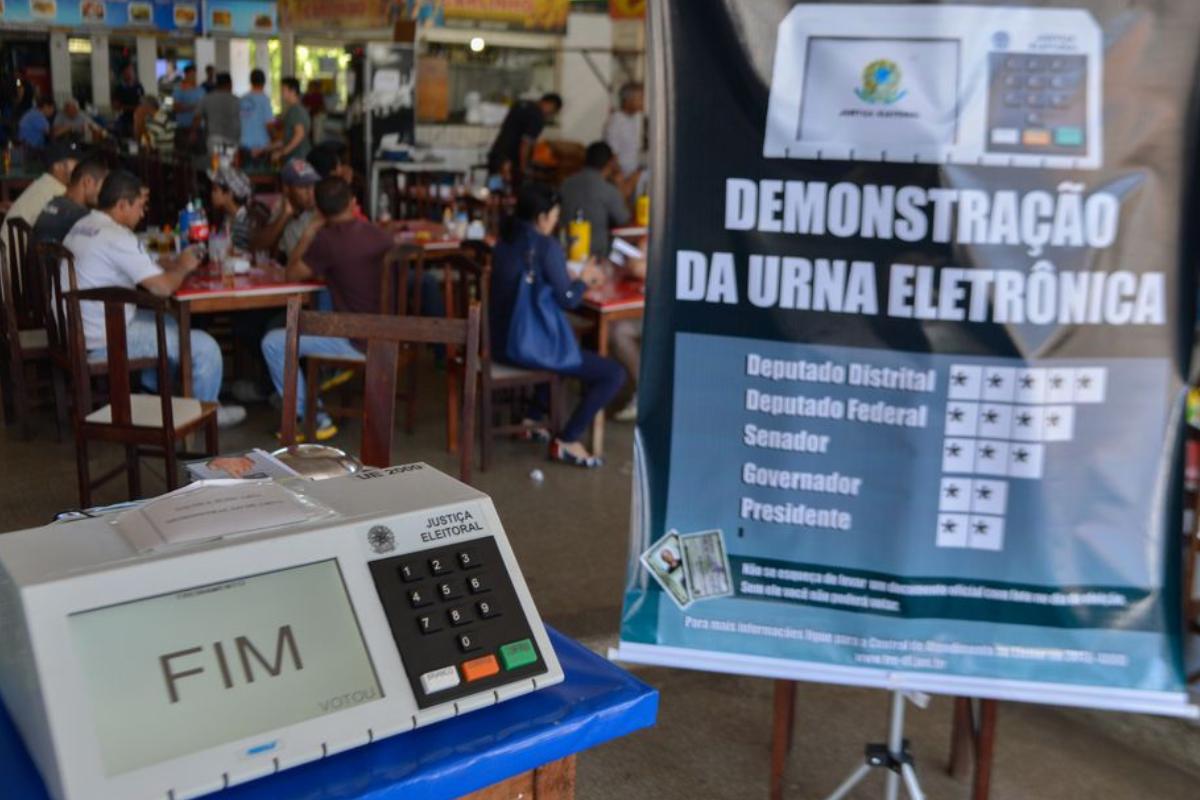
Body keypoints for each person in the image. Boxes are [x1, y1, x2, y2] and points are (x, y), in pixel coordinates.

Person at [63, 170, 246, 427]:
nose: (143, 213)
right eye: (139, 206)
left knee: (168, 322)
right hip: (102, 339)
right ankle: (208, 415)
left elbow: (136, 264)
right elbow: (162, 288)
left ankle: (155, 392)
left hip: (76, 329)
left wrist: (170, 263)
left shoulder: (83, 225)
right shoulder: (117, 237)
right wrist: (183, 267)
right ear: (122, 205)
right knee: (206, 348)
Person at [491, 183, 624, 468]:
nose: (555, 222)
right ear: (541, 218)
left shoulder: (505, 240)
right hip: (525, 348)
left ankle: (532, 420)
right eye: (553, 216)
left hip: (498, 342)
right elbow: (568, 300)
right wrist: (584, 280)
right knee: (612, 374)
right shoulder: (544, 246)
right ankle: (567, 439)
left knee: (562, 352)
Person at [260, 177, 396, 440]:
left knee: (273, 343)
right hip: (391, 334)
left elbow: (291, 273)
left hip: (357, 341)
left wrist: (309, 231)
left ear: (320, 212)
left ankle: (312, 417)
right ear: (353, 202)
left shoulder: (328, 240)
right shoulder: (379, 235)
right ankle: (321, 388)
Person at [0, 140, 80, 255]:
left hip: (9, 259)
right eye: (75, 162)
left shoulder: (44, 183)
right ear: (57, 166)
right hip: (17, 261)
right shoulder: (58, 192)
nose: (80, 167)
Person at [559, 141, 632, 260]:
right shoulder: (608, 190)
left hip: (567, 251)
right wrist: (622, 189)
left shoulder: (566, 184)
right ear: (610, 163)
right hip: (598, 256)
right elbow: (625, 223)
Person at [486, 93, 561, 189]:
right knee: (510, 193)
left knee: (494, 191)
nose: (549, 115)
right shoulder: (537, 117)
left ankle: (494, 193)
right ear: (550, 104)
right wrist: (523, 168)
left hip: (497, 156)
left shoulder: (520, 104)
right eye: (552, 111)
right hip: (510, 163)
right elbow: (526, 144)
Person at [253, 158, 320, 259]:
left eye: (313, 185)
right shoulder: (283, 206)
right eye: (303, 187)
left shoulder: (323, 207)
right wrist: (284, 216)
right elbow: (259, 245)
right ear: (287, 189)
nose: (311, 193)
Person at [33, 156, 109, 244]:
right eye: (103, 186)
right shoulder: (81, 217)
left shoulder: (55, 202)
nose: (105, 193)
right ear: (88, 181)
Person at [193, 72, 241, 166]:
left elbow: (197, 118)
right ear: (230, 84)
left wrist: (193, 133)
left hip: (214, 139)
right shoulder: (236, 100)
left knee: (217, 167)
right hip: (232, 139)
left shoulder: (206, 99)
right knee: (229, 167)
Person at [208, 165, 256, 251]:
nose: (212, 194)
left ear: (229, 194)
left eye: (215, 190)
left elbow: (239, 252)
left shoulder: (244, 222)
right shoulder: (228, 217)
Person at [604, 81, 645, 182]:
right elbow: (612, 155)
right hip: (622, 179)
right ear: (628, 100)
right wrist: (622, 182)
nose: (643, 101)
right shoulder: (615, 122)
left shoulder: (636, 118)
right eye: (640, 98)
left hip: (634, 175)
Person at [270, 78, 312, 163]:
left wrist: (281, 153)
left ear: (293, 91)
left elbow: (299, 135)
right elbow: (287, 139)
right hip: (298, 157)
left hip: (298, 158)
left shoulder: (295, 110)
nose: (282, 93)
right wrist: (266, 148)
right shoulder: (298, 109)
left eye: (283, 90)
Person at [239, 69, 275, 166]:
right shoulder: (264, 100)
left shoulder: (242, 99)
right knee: (262, 174)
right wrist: (275, 139)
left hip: (244, 145)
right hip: (260, 147)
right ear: (264, 82)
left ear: (250, 81)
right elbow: (269, 125)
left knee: (246, 173)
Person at [113, 64, 144, 139]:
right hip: (125, 120)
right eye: (127, 72)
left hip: (138, 120)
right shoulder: (119, 88)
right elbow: (116, 106)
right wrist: (132, 108)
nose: (130, 74)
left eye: (131, 71)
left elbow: (143, 101)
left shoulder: (139, 87)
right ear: (123, 74)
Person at [173, 64, 204, 133]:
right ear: (186, 75)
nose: (193, 77)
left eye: (194, 75)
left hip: (199, 127)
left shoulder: (201, 90)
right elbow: (176, 108)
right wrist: (193, 107)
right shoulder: (179, 90)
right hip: (184, 127)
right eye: (191, 75)